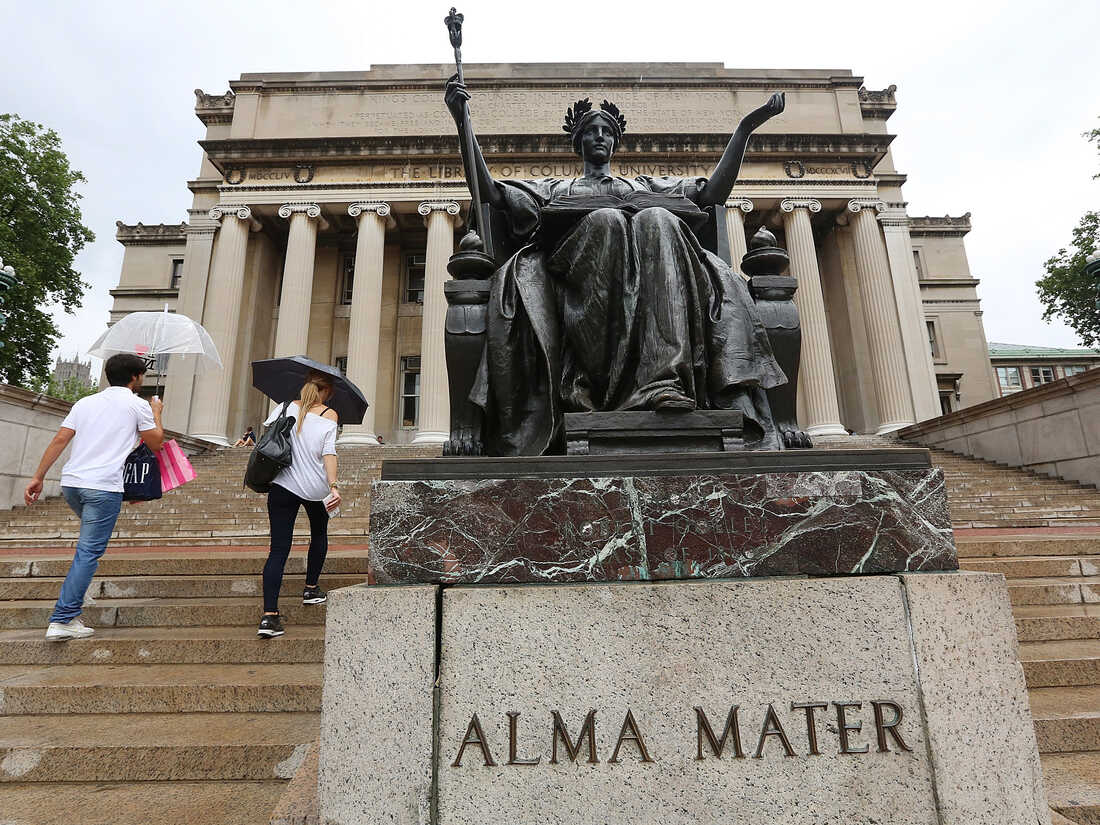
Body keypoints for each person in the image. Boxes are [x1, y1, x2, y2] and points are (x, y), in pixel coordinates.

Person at [445, 79, 790, 455]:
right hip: (573, 277)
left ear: (615, 141)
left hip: (650, 279)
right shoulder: (555, 189)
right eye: (591, 131)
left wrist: (744, 130)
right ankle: (591, 386)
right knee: (605, 220)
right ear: (578, 142)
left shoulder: (641, 186)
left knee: (658, 218)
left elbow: (711, 195)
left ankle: (664, 382)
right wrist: (462, 121)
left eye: (606, 132)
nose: (599, 137)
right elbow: (490, 192)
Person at [24, 353, 164, 641]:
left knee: (88, 546)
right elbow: (156, 442)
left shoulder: (85, 402)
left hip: (73, 484)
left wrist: (38, 476)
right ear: (136, 378)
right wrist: (156, 412)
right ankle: (63, 618)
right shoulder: (138, 405)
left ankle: (73, 600)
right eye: (143, 376)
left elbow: (60, 439)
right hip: (103, 488)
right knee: (88, 552)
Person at [257, 371, 340, 638]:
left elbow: (267, 439)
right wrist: (334, 485)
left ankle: (269, 617)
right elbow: (328, 454)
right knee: (319, 534)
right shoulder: (329, 415)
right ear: (325, 392)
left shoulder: (282, 408)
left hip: (282, 485)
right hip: (315, 489)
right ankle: (311, 588)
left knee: (278, 550)